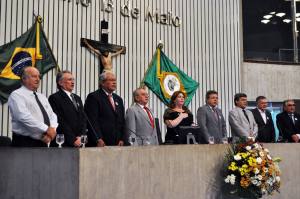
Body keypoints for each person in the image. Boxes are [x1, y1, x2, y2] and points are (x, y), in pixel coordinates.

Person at [8, 67, 57, 147]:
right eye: (34, 76)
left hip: (43, 141)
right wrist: (46, 129)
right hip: (24, 142)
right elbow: (23, 118)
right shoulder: (17, 95)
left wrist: (51, 131)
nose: (38, 79)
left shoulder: (42, 97)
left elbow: (52, 116)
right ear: (24, 79)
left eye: (39, 77)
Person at [84, 71, 125, 146]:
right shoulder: (94, 97)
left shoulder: (118, 99)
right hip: (102, 141)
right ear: (102, 83)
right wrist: (98, 138)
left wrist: (122, 138)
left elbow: (122, 120)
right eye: (111, 80)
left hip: (117, 142)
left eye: (115, 80)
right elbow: (92, 121)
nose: (114, 82)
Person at [48, 70, 86, 147]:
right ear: (60, 83)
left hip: (79, 141)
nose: (72, 82)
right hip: (63, 142)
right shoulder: (54, 98)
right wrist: (73, 139)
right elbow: (60, 121)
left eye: (73, 79)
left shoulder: (77, 98)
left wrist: (81, 137)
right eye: (69, 80)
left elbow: (83, 118)